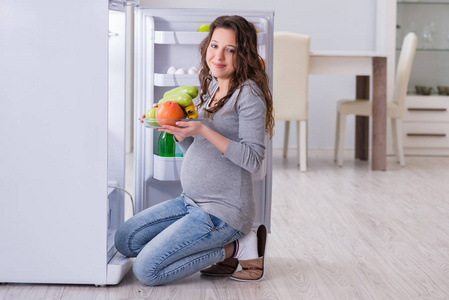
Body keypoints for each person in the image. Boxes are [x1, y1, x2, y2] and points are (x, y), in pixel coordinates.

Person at [115, 15, 274, 286]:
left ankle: (239, 247)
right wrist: (178, 133)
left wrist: (203, 129)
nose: (219, 56)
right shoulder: (211, 86)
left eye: (230, 49)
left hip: (224, 213)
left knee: (147, 271)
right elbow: (199, 149)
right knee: (125, 239)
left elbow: (253, 160)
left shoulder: (249, 95)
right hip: (190, 201)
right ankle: (205, 246)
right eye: (214, 45)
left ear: (243, 54)